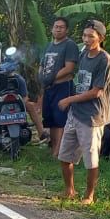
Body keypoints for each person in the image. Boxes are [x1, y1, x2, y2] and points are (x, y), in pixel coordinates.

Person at [55, 18, 110, 205]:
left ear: (101, 38)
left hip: (92, 116)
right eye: (84, 35)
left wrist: (69, 100)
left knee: (91, 159)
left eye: (91, 36)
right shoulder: (82, 54)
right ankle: (69, 190)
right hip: (75, 112)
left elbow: (96, 92)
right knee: (65, 155)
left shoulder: (104, 60)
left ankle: (89, 195)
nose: (87, 39)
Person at [40, 16, 80, 156]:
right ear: (51, 29)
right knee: (50, 119)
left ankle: (59, 151)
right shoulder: (49, 45)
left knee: (61, 119)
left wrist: (51, 78)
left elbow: (69, 68)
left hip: (63, 86)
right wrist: (42, 77)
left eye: (61, 27)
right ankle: (53, 147)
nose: (58, 29)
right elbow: (42, 64)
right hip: (49, 87)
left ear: (67, 30)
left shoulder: (70, 45)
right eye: (56, 26)